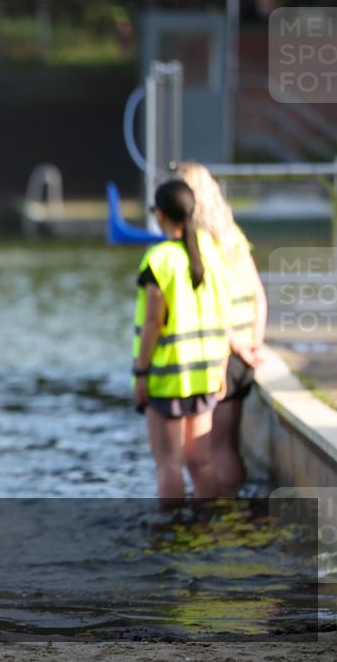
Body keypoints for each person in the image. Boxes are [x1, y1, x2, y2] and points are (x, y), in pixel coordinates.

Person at [133, 179, 231, 505]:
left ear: (160, 215)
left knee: (168, 463)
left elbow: (152, 323)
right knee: (200, 460)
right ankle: (208, 529)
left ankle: (171, 537)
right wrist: (221, 369)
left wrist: (141, 372)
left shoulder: (159, 260)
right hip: (206, 373)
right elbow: (224, 313)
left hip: (167, 377)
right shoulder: (213, 252)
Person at [178, 162, 267, 496]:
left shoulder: (198, 243)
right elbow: (258, 293)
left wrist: (233, 344)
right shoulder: (232, 235)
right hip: (245, 353)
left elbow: (211, 305)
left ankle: (220, 515)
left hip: (222, 354)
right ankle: (237, 512)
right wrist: (254, 343)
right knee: (230, 445)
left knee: (213, 449)